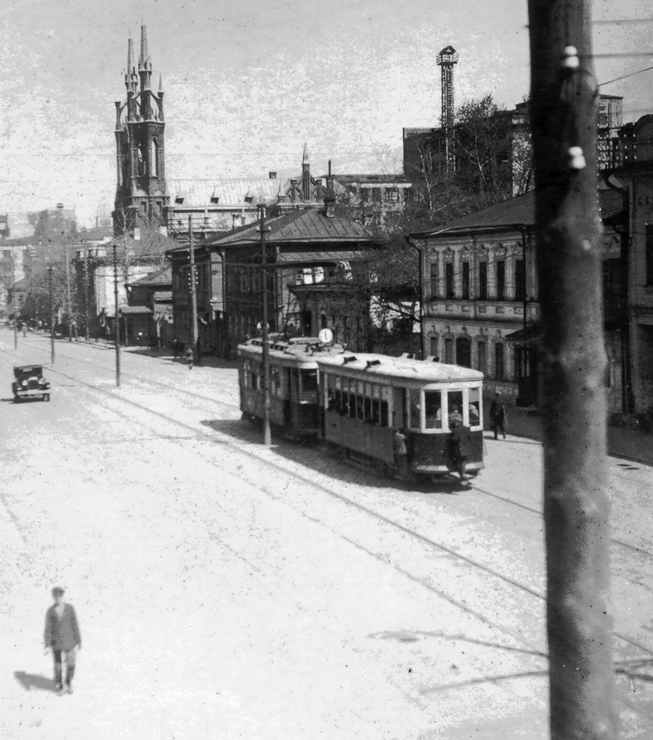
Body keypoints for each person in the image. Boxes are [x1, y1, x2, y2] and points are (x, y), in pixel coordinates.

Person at [44, 587, 81, 695]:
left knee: (71, 664)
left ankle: (68, 682)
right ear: (53, 597)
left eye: (60, 596)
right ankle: (60, 684)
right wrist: (47, 644)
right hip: (56, 642)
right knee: (58, 666)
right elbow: (48, 628)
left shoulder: (70, 609)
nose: (58, 598)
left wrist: (78, 641)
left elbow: (75, 625)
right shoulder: (50, 611)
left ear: (63, 596)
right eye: (55, 596)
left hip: (70, 641)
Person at [449, 415, 472, 481]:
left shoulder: (456, 430)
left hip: (459, 450)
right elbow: (469, 438)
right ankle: (463, 473)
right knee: (463, 462)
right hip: (466, 449)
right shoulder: (466, 428)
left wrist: (451, 437)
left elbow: (454, 439)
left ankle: (462, 474)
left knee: (459, 461)